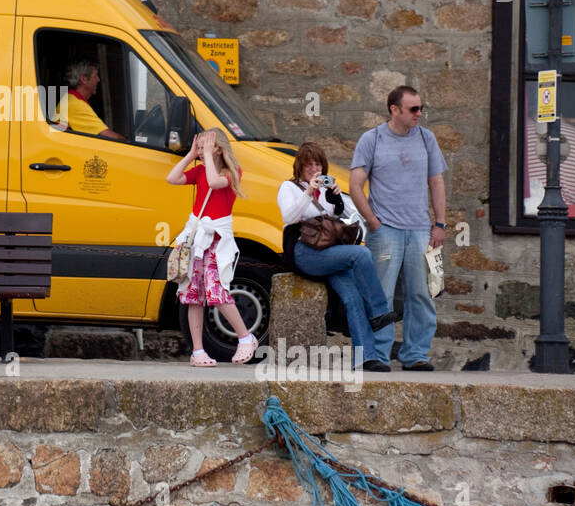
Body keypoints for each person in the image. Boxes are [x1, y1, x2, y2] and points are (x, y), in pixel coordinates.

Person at [349, 86, 448, 372]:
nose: (419, 114)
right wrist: (372, 221)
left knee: (421, 294)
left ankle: (416, 354)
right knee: (381, 295)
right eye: (413, 109)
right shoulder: (373, 139)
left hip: (420, 230)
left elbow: (437, 183)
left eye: (421, 108)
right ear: (395, 109)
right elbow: (355, 185)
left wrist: (439, 224)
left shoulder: (427, 139)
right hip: (385, 229)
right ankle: (377, 355)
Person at [277, 142, 397, 371]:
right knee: (361, 254)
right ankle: (379, 312)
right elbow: (289, 217)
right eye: (309, 164)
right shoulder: (289, 187)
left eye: (318, 164)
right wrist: (308, 192)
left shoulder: (326, 189)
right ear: (300, 167)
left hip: (329, 252)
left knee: (352, 297)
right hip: (304, 252)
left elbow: (352, 219)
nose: (314, 169)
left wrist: (338, 201)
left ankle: (365, 357)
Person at [166, 128, 256, 365]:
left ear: (218, 149)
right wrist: (190, 155)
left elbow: (215, 183)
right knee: (192, 293)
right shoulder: (199, 171)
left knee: (217, 290)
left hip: (216, 239)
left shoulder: (231, 172)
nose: (202, 150)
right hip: (197, 239)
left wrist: (206, 156)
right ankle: (197, 351)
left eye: (207, 145)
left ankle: (246, 337)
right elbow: (171, 178)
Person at [56, 59, 124, 140]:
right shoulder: (76, 104)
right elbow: (108, 136)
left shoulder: (71, 99)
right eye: (95, 76)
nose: (98, 80)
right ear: (84, 79)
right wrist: (129, 142)